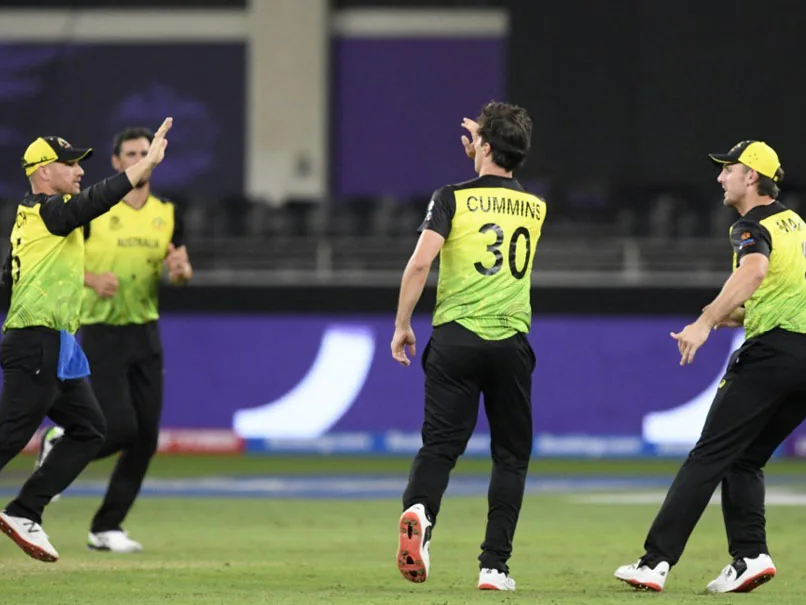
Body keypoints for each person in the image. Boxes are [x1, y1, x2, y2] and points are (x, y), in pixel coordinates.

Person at [615, 140, 806, 593]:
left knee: (709, 455)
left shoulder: (749, 225)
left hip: (772, 355)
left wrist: (705, 321)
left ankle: (654, 561)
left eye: (729, 169)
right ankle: (750, 556)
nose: (721, 177)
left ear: (752, 177)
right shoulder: (795, 223)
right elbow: (779, 290)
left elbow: (755, 271)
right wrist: (725, 315)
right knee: (745, 458)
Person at [0, 118, 173, 562]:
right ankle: (27, 510)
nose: (79, 170)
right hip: (36, 342)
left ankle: (25, 510)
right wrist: (145, 164)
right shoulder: (49, 213)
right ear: (42, 172)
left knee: (89, 429)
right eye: (69, 163)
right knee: (9, 436)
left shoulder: (31, 221)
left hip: (55, 344)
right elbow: (96, 200)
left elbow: (9, 278)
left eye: (80, 164)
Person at [390, 101, 545, 591]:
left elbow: (420, 264)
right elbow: (498, 192)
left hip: (456, 339)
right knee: (511, 457)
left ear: (483, 145)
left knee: (439, 447)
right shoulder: (537, 207)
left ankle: (420, 512)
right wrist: (488, 143)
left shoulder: (451, 197)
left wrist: (402, 325)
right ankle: (494, 567)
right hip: (509, 343)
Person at [35, 127, 192, 553]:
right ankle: (61, 443)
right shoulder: (95, 212)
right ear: (116, 162)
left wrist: (180, 272)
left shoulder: (166, 213)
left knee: (146, 439)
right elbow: (53, 261)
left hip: (145, 332)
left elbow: (180, 268)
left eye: (146, 151)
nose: (142, 157)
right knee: (120, 427)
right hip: (102, 331)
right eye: (132, 153)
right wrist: (90, 278)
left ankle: (106, 528)